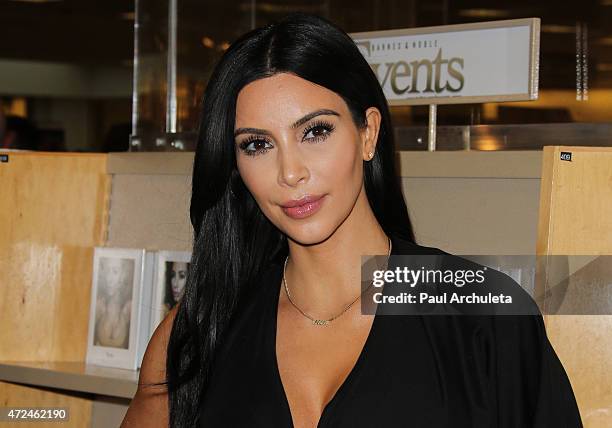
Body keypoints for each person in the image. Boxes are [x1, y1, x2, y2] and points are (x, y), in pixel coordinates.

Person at [121, 13, 583, 427]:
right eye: (257, 145)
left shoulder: (483, 316)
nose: (290, 172)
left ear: (369, 134)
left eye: (315, 131)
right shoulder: (199, 332)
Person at [95, 257, 134, 349]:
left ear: (123, 276)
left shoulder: (130, 308)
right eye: (107, 271)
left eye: (115, 272)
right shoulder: (98, 305)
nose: (109, 279)